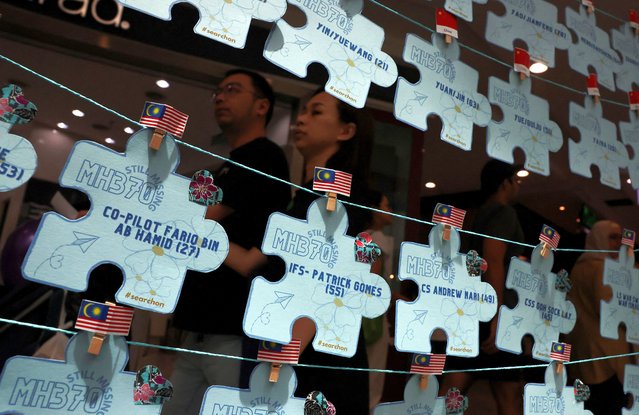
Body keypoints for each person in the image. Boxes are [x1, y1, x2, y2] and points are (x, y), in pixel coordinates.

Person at [229, 90, 374, 413]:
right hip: (285, 339)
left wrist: (286, 355)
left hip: (310, 353)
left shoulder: (338, 192)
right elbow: (254, 262)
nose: (302, 119)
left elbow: (325, 280)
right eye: (303, 110)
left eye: (316, 112)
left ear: (346, 131)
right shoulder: (305, 196)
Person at [164, 69, 291, 415]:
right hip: (201, 325)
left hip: (233, 327)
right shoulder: (230, 164)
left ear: (262, 105)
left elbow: (197, 220)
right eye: (217, 91)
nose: (220, 97)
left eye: (233, 90)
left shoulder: (263, 156)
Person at [441, 160, 527, 415]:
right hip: (493, 313)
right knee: (508, 398)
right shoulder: (503, 213)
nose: (518, 186)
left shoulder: (474, 215)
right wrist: (497, 315)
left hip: (469, 309)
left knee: (451, 395)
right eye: (516, 180)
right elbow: (494, 260)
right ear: (505, 183)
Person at [565, 220, 634, 415]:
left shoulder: (580, 266)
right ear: (598, 238)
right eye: (612, 237)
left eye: (620, 238)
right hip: (606, 361)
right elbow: (611, 311)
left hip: (585, 358)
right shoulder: (603, 268)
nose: (619, 243)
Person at [362, 190, 394, 414]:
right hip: (374, 317)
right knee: (373, 378)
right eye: (385, 205)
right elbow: (374, 280)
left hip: (361, 316)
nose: (390, 210)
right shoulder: (378, 239)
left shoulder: (361, 236)